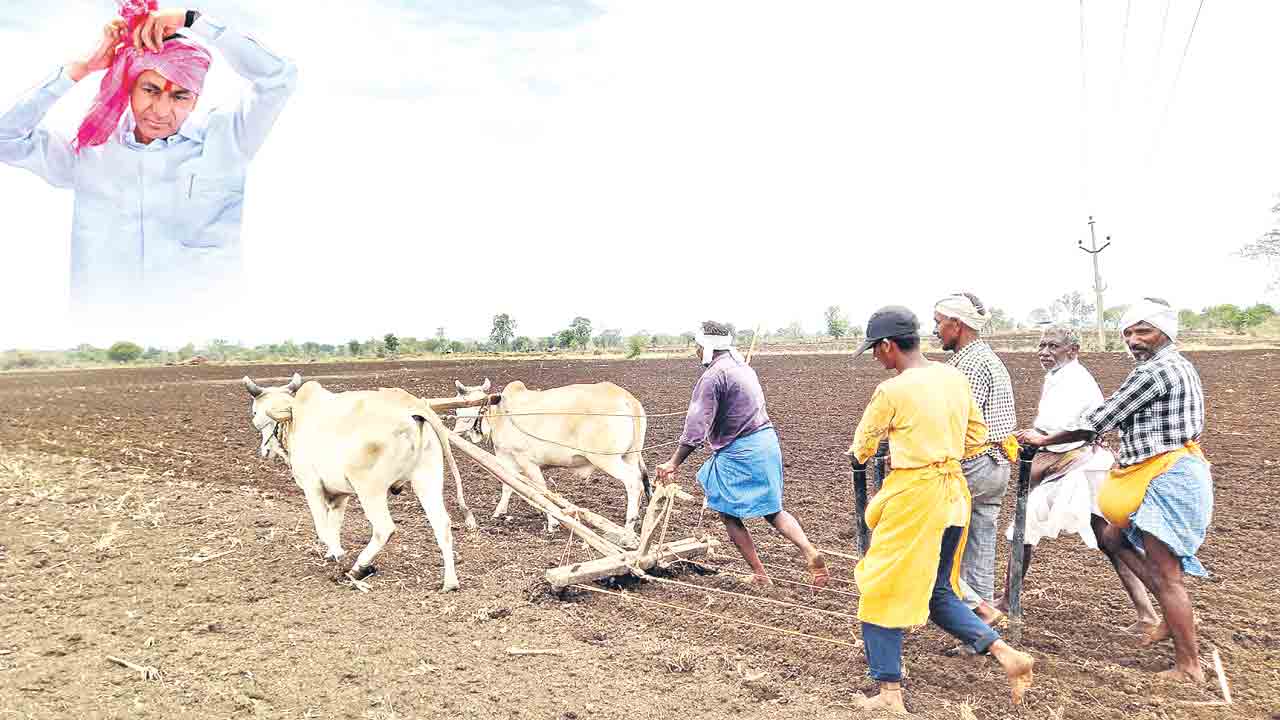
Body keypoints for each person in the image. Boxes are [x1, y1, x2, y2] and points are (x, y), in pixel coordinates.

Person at [0, 2, 297, 331]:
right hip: (104, 338)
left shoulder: (228, 139)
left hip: (207, 335)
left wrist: (193, 21)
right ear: (131, 86)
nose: (160, 109)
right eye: (150, 90)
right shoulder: (89, 148)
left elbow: (279, 77)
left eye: (180, 96)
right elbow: (5, 138)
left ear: (196, 97)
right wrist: (80, 69)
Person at [847, 306, 1034, 712]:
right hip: (954, 496)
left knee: (880, 588)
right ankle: (1007, 655)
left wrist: (897, 453)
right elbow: (976, 437)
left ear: (887, 346)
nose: (877, 359)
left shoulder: (893, 391)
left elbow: (862, 446)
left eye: (875, 351)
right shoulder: (954, 378)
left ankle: (889, 694)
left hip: (914, 499)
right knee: (937, 591)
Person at [1017, 299, 1212, 682]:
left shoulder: (1154, 372)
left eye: (1143, 331)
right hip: (1163, 469)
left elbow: (1099, 420)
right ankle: (1166, 619)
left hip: (1165, 475)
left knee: (1167, 573)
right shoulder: (1176, 364)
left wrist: (1045, 440)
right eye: (1129, 332)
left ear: (1165, 332)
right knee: (1110, 535)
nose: (1134, 340)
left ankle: (1189, 665)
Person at [995, 326, 1159, 633]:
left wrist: (1040, 441)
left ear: (1073, 351)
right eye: (1041, 345)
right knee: (1101, 538)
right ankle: (1149, 612)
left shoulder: (1077, 380)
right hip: (1070, 465)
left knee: (1035, 527)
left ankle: (1007, 601)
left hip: (1081, 467)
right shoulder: (1056, 377)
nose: (1044, 351)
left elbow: (1085, 429)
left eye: (1053, 346)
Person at [654, 321, 827, 587]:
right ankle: (809, 550)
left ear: (708, 347)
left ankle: (759, 573)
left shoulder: (712, 377)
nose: (695, 352)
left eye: (698, 347)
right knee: (773, 510)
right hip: (766, 442)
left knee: (727, 513)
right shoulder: (743, 368)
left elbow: (696, 427)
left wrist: (673, 462)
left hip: (740, 451)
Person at [932, 292, 1016, 624]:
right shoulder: (988, 358)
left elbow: (959, 421)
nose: (935, 330)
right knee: (980, 543)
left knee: (925, 537)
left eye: (939, 323)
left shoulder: (965, 365)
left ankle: (973, 606)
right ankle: (980, 621)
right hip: (997, 463)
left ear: (957, 324)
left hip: (971, 464)